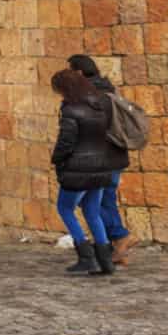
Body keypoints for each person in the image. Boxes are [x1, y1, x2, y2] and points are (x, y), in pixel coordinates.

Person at [51, 66, 127, 277]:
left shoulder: (70, 110)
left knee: (65, 208)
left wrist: (57, 159)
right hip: (102, 166)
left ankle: (86, 256)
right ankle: (105, 261)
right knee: (92, 211)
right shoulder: (101, 105)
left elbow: (66, 142)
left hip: (79, 169)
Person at [68, 53, 134, 265]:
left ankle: (120, 236)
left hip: (101, 157)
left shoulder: (90, 94)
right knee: (105, 198)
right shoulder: (107, 89)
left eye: (70, 71)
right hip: (114, 154)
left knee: (92, 202)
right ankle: (118, 250)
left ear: (78, 72)